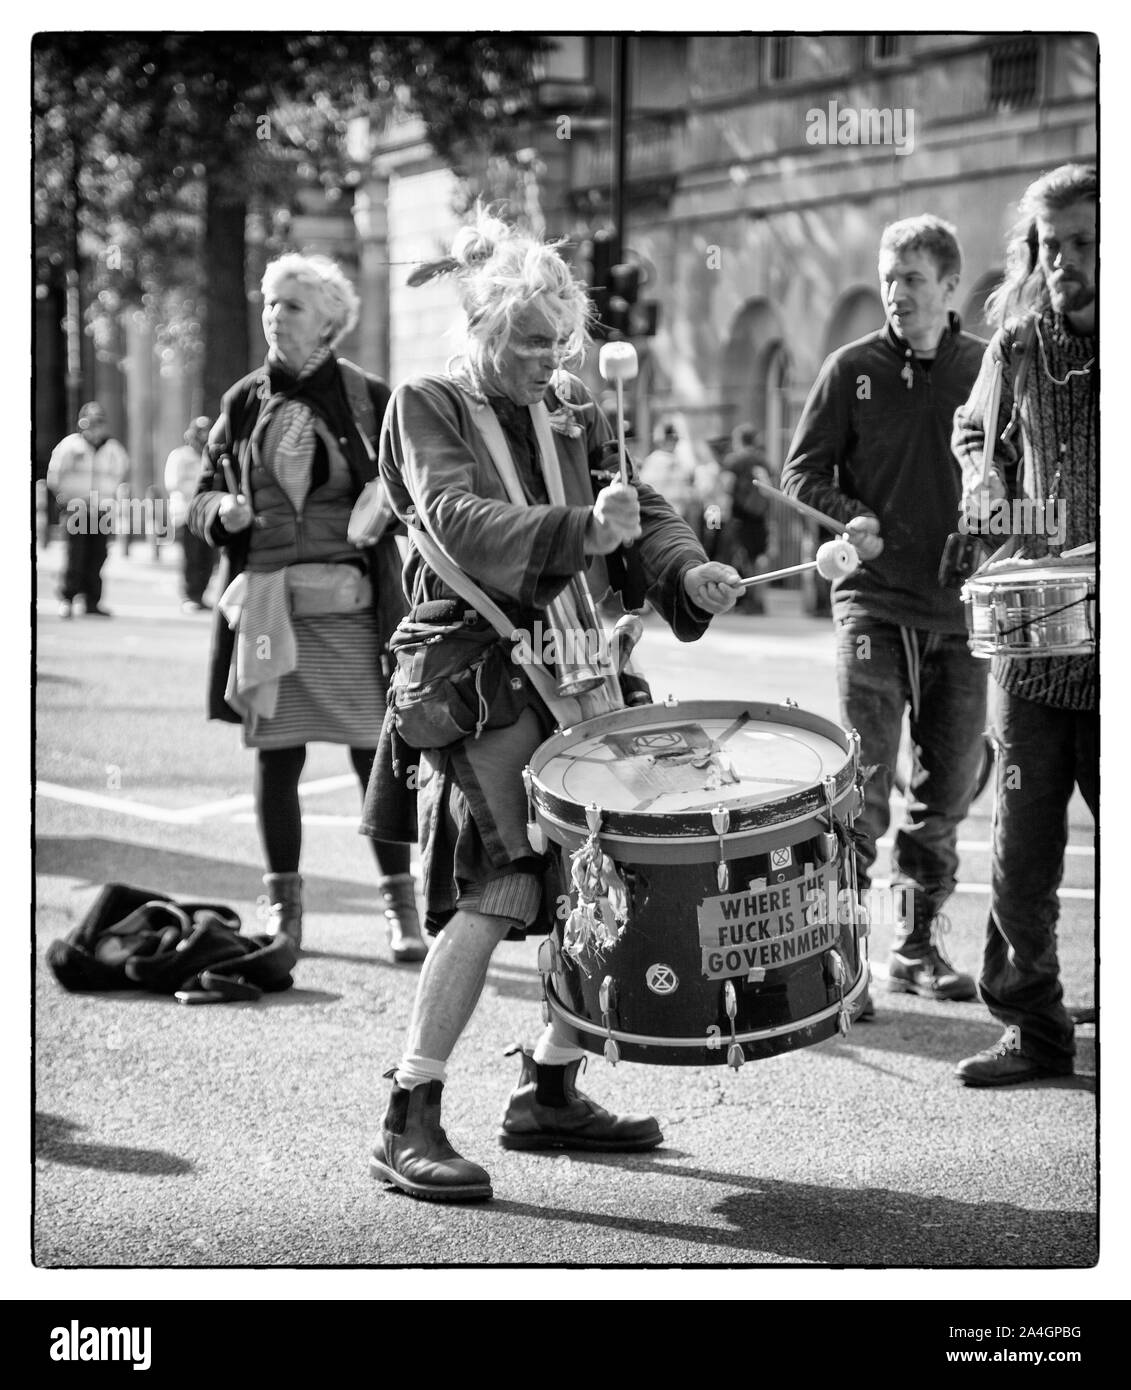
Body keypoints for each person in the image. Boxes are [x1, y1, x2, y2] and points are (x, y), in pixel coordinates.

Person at [361, 208, 744, 1202]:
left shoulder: (572, 399)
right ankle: (410, 1108)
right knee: (498, 890)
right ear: (483, 331)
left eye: (557, 341)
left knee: (606, 880)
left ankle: (551, 1085)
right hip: (481, 681)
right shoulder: (425, 403)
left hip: (579, 668)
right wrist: (582, 526)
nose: (547, 360)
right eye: (528, 341)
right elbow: (454, 519)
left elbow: (639, 505)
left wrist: (687, 567)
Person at [188, 252, 426, 963]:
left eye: (289, 305)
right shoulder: (241, 401)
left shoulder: (368, 396)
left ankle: (401, 912)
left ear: (328, 320)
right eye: (268, 301)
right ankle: (285, 916)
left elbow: (413, 489)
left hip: (351, 605)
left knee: (372, 755)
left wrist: (383, 507)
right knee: (275, 758)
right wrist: (218, 509)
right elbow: (199, 491)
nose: (272, 315)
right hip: (265, 601)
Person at [780, 215, 988, 1013]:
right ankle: (843, 958)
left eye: (910, 278)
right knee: (860, 789)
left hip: (961, 614)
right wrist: (847, 513)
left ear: (947, 286)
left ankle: (917, 946)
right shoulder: (849, 367)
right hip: (870, 605)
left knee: (944, 798)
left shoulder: (984, 368)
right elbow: (800, 476)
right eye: (887, 276)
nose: (895, 292)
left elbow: (1014, 463)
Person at [951, 165, 1097, 1087]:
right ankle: (1033, 1025)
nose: (1065, 263)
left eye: (1084, 242)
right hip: (1036, 640)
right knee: (1017, 850)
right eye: (1049, 246)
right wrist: (982, 476)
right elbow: (975, 432)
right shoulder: (1012, 344)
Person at [46, 400, 130, 618]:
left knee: (98, 555)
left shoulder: (114, 449)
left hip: (101, 510)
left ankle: (92, 601)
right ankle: (68, 598)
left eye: (99, 422)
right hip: (76, 508)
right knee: (75, 555)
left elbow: (120, 475)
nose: (94, 427)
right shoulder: (69, 446)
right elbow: (54, 476)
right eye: (90, 422)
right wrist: (63, 500)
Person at [165, 416, 217, 612]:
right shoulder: (179, 456)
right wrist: (202, 491)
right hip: (187, 514)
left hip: (207, 514)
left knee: (207, 558)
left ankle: (201, 594)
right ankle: (190, 595)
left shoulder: (211, 455)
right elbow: (174, 484)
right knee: (192, 557)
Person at [719, 424, 774, 612]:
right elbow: (771, 489)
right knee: (759, 558)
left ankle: (744, 599)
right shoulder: (764, 461)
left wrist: (720, 516)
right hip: (760, 517)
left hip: (740, 516)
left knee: (738, 555)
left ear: (738, 440)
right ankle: (759, 600)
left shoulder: (734, 461)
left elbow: (727, 487)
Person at [639, 422, 695, 525]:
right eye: (669, 440)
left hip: (679, 514)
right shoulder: (653, 461)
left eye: (675, 440)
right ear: (661, 441)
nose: (673, 443)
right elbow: (648, 490)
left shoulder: (679, 461)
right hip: (660, 516)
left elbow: (686, 489)